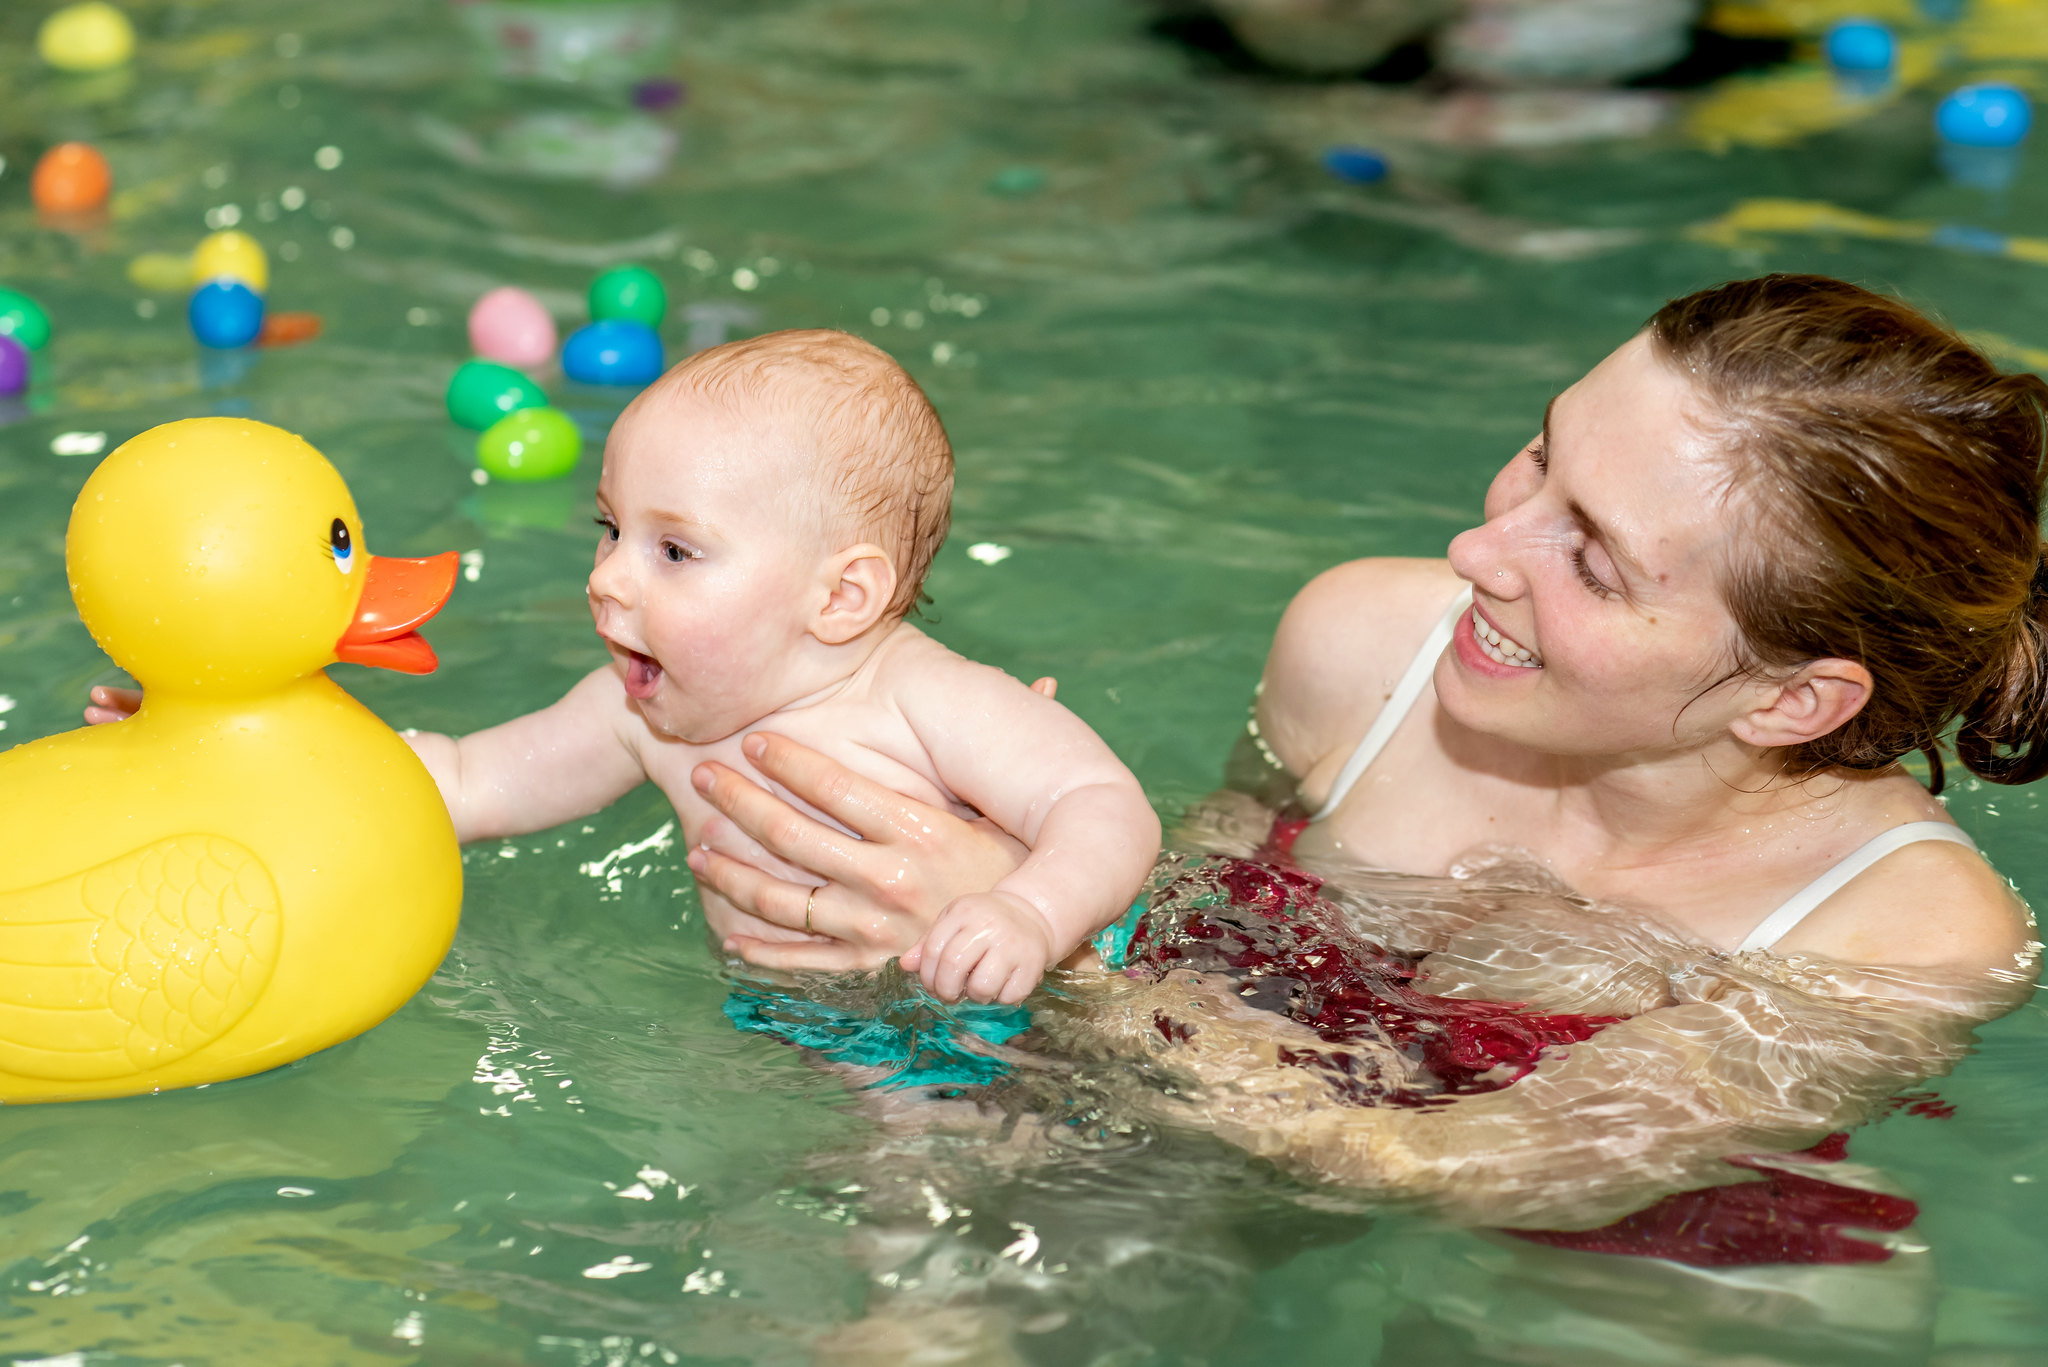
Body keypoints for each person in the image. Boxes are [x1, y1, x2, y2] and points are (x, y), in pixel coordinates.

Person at [678, 276, 2046, 1226]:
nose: (1478, 548)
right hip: (1229, 1120)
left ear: (1792, 701)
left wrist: (1065, 957)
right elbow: (1209, 928)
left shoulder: (1901, 931)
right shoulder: (1368, 647)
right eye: (1541, 456)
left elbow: (1464, 1171)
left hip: (1647, 1274)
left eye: (1590, 554)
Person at [89, 329, 1161, 1007]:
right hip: (800, 1034)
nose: (606, 581)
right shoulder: (640, 713)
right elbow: (457, 782)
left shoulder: (925, 699)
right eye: (609, 530)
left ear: (840, 597)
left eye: (674, 550)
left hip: (996, 1024)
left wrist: (1028, 915)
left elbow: (1102, 803)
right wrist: (224, 746)